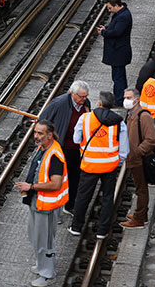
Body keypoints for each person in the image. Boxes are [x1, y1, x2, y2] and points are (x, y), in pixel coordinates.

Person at [13, 119, 69, 286]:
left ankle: (47, 274)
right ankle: (41, 265)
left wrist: (31, 186)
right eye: (35, 132)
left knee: (45, 241)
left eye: (40, 133)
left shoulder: (55, 155)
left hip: (46, 205)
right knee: (35, 237)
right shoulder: (43, 148)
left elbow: (55, 183)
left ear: (49, 135)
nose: (36, 136)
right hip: (37, 202)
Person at [68, 91, 128, 239]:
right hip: (109, 166)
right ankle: (102, 231)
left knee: (83, 196)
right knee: (107, 198)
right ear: (112, 105)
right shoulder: (119, 122)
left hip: (89, 165)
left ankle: (76, 227)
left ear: (99, 103)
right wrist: (117, 162)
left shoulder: (85, 118)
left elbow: (76, 139)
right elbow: (124, 150)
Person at [38, 80, 91, 214]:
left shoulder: (86, 103)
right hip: (62, 148)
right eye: (81, 96)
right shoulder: (59, 103)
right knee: (58, 178)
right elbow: (43, 120)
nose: (84, 99)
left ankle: (70, 205)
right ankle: (55, 206)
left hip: (79, 149)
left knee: (75, 177)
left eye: (85, 96)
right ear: (72, 94)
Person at [120, 88, 155, 229]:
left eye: (129, 97)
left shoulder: (143, 116)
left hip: (139, 160)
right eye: (125, 97)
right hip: (134, 159)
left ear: (137, 99)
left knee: (141, 190)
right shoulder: (131, 114)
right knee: (139, 187)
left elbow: (153, 139)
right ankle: (141, 214)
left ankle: (139, 219)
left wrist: (137, 152)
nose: (126, 100)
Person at [97, 0, 132, 106]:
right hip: (118, 52)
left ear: (116, 5)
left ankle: (119, 101)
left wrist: (103, 32)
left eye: (110, 8)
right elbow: (115, 27)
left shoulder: (123, 16)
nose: (109, 10)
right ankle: (122, 97)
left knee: (118, 78)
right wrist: (106, 28)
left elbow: (117, 32)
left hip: (119, 53)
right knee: (119, 76)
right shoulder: (121, 14)